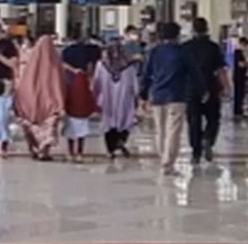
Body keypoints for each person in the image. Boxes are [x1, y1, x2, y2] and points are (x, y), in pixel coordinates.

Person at [140, 22, 200, 176]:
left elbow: (146, 74)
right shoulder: (183, 52)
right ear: (177, 35)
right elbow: (194, 72)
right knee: (173, 131)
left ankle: (164, 160)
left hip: (158, 96)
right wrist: (203, 89)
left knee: (160, 131)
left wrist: (143, 95)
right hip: (177, 96)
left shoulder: (153, 52)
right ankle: (168, 164)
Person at [183, 17, 229, 164]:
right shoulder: (213, 47)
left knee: (193, 120)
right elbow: (220, 70)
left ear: (192, 30)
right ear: (207, 29)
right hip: (211, 87)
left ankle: (196, 152)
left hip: (191, 88)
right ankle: (208, 138)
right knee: (213, 118)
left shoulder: (185, 47)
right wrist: (227, 87)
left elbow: (181, 71)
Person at [13, 35, 65, 160]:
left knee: (31, 127)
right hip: (50, 103)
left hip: (31, 103)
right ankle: (44, 152)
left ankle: (34, 150)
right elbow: (58, 83)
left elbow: (24, 83)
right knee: (49, 128)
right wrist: (60, 102)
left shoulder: (31, 63)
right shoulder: (55, 64)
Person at [93, 38, 139, 159]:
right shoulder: (129, 67)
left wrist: (95, 98)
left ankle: (110, 150)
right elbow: (135, 85)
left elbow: (96, 83)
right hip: (124, 99)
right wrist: (137, 98)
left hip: (107, 99)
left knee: (109, 123)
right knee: (125, 121)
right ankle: (121, 141)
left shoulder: (101, 65)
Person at [63, 57, 97, 163]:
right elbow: (90, 96)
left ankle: (70, 152)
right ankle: (80, 153)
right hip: (82, 112)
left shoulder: (68, 78)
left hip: (70, 111)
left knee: (70, 133)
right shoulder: (85, 79)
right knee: (81, 133)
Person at [231, 37, 248, 121]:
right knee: (238, 93)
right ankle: (237, 111)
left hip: (242, 76)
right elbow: (241, 64)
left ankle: (239, 110)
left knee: (241, 93)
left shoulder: (243, 53)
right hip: (238, 76)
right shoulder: (237, 52)